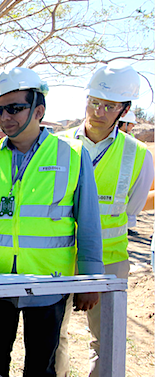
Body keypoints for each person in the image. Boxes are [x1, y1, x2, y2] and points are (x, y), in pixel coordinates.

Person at [0, 67, 104, 377]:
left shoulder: (72, 155)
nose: (6, 116)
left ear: (39, 111)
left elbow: (88, 222)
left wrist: (90, 278)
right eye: (1, 108)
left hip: (49, 283)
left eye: (16, 108)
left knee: (41, 367)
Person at [56, 64, 154, 377]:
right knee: (52, 337)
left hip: (110, 262)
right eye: (94, 102)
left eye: (108, 106)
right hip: (58, 256)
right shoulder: (55, 146)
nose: (98, 111)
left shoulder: (138, 155)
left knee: (106, 341)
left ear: (124, 110)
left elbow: (132, 209)